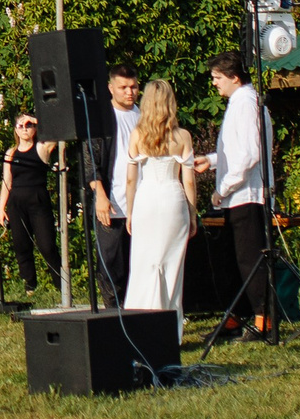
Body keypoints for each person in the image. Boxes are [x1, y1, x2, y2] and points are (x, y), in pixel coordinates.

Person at [201, 53, 273, 342]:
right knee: (234, 260)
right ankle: (238, 314)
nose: (215, 83)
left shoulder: (245, 103)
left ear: (234, 77)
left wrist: (224, 188)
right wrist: (211, 160)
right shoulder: (238, 102)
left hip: (246, 195)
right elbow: (235, 150)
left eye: (218, 77)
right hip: (238, 195)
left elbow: (249, 155)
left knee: (249, 258)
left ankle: (263, 319)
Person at [122, 78, 199, 329]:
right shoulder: (183, 136)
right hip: (172, 198)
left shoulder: (137, 135)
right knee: (172, 265)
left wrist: (130, 211)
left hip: (146, 199)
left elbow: (131, 179)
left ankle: (142, 324)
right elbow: (188, 181)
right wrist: (193, 213)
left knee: (144, 262)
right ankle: (170, 327)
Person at [91, 64, 142, 308]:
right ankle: (114, 310)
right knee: (111, 261)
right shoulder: (103, 119)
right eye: (123, 87)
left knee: (138, 262)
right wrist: (100, 195)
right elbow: (90, 160)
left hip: (141, 203)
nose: (129, 92)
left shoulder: (143, 116)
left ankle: (136, 308)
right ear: (111, 88)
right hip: (112, 203)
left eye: (133, 86)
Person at [0, 112, 60, 293]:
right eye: (21, 126)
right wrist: (1, 208)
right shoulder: (11, 152)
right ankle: (29, 285)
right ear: (15, 130)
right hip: (16, 203)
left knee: (47, 245)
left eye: (28, 125)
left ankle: (61, 284)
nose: (25, 129)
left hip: (38, 200)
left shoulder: (41, 147)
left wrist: (37, 120)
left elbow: (58, 132)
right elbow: (7, 181)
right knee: (21, 245)